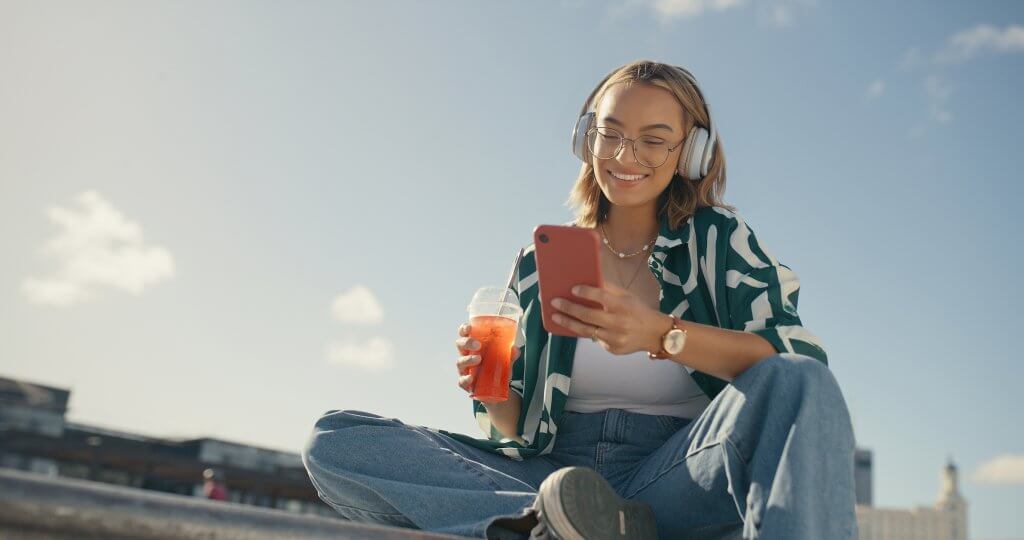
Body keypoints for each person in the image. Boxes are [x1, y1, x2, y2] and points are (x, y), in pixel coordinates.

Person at [301, 59, 857, 539]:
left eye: (653, 138)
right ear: (585, 139)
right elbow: (516, 428)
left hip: (675, 473)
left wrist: (661, 334)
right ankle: (560, 524)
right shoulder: (538, 262)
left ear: (691, 152)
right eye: (609, 133)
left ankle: (560, 527)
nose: (625, 153)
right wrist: (490, 388)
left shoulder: (718, 241)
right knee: (337, 439)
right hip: (548, 474)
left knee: (799, 385)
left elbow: (795, 364)